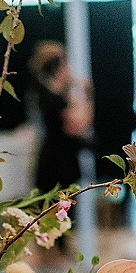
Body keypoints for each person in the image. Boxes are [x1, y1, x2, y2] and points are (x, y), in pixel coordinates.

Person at [28, 41, 94, 195]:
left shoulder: (46, 93)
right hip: (58, 164)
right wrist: (89, 93)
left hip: (54, 160)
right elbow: (81, 124)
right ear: (58, 68)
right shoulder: (52, 98)